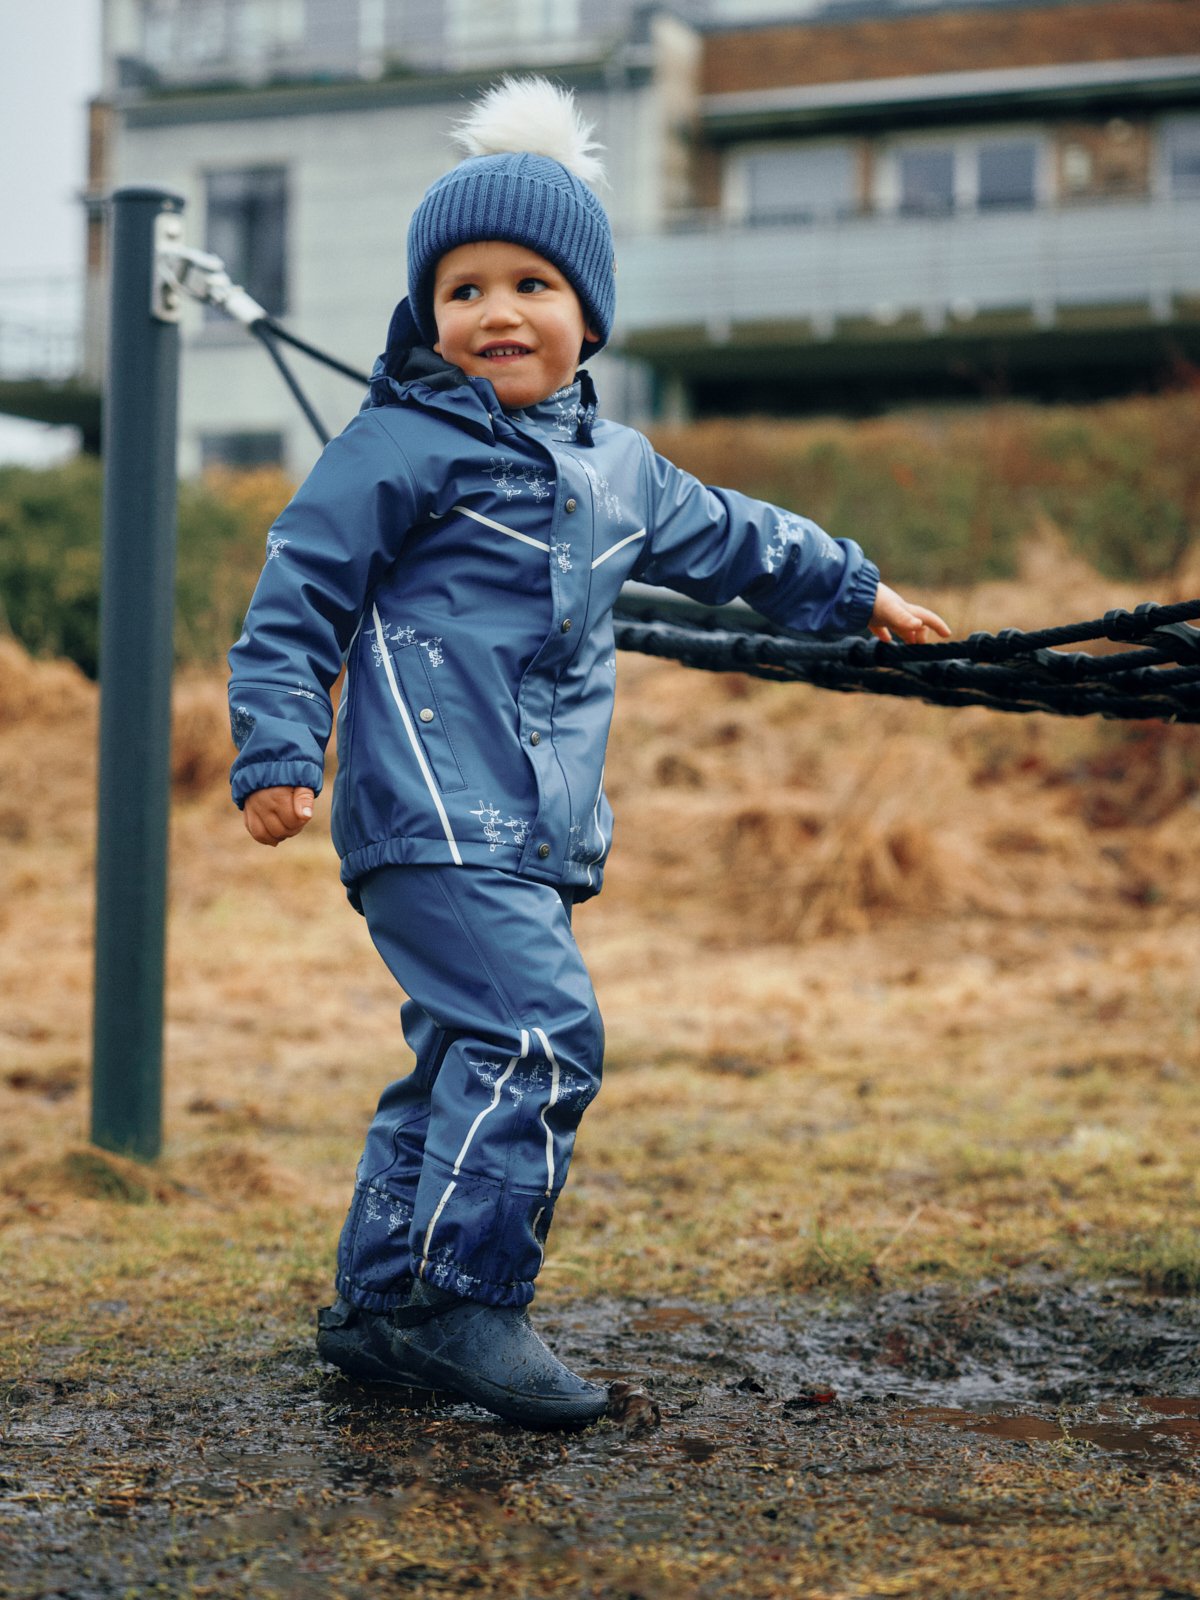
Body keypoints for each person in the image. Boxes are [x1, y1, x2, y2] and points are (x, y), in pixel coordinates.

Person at [227, 77, 950, 1430]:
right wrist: (277, 747)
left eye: (531, 284)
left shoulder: (619, 469)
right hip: (433, 811)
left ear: (588, 313)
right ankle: (463, 1306)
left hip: (536, 826)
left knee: (462, 1049)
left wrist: (859, 591)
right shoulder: (398, 445)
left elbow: (739, 538)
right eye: (462, 290)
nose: (495, 312)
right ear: (425, 317)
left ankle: (384, 1308)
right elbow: (295, 594)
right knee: (540, 1037)